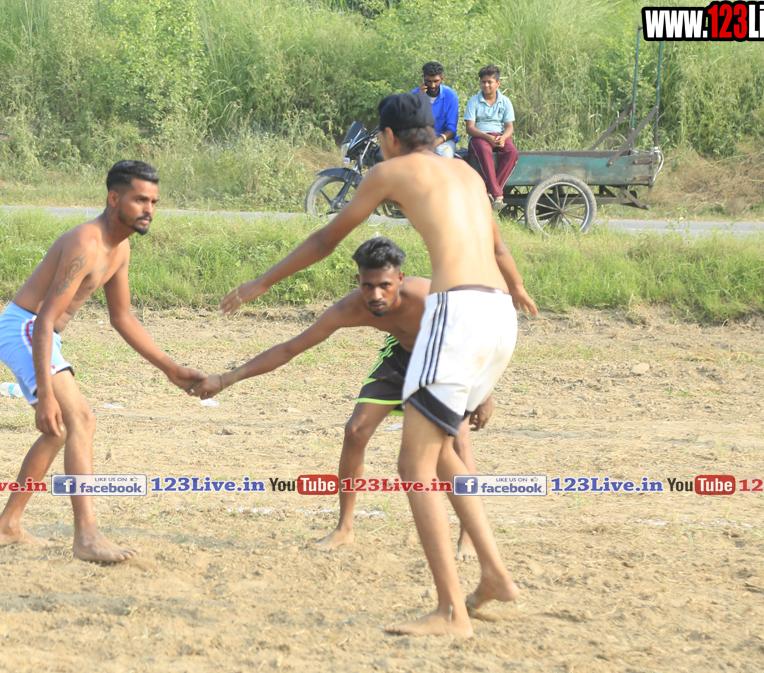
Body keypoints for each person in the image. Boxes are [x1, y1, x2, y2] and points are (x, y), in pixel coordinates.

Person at [220, 93, 537, 638]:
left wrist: (262, 282)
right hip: (499, 312)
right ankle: (494, 575)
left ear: (388, 137)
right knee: (439, 454)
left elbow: (326, 238)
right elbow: (500, 248)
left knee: (413, 466)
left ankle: (451, 612)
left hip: (456, 311)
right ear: (433, 132)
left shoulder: (390, 171)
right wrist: (520, 290)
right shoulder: (466, 171)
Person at [197, 236, 515, 557]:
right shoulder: (350, 308)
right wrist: (225, 379)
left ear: (400, 278)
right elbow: (290, 349)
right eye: (367, 286)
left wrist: (485, 391)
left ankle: (469, 534)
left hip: (447, 361)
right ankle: (345, 528)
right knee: (356, 430)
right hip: (401, 359)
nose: (375, 295)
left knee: (458, 439)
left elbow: (482, 337)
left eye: (385, 285)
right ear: (358, 281)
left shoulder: (431, 297)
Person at [0, 160, 205, 561]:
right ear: (114, 199)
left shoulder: (119, 248)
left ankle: (8, 526)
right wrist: (47, 395)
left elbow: (122, 318)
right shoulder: (86, 244)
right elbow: (44, 320)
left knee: (60, 431)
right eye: (140, 200)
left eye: (154, 202)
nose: (149, 210)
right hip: (26, 328)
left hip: (38, 332)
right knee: (81, 420)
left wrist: (171, 369)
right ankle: (86, 536)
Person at [464, 65, 518, 210]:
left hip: (499, 136)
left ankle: (489, 192)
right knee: (484, 150)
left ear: (497, 83)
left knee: (512, 152)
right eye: (483, 82)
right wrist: (487, 137)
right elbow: (470, 128)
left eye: (490, 82)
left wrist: (503, 137)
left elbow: (509, 127)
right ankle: (497, 194)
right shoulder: (474, 102)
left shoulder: (505, 101)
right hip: (479, 137)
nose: (486, 85)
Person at [412, 61, 460, 158]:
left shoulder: (450, 95)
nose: (432, 85)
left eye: (436, 81)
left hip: (443, 141)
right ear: (423, 78)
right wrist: (419, 100)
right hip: (420, 139)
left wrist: (433, 144)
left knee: (444, 155)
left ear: (442, 78)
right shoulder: (414, 95)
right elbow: (410, 124)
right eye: (428, 81)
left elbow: (451, 130)